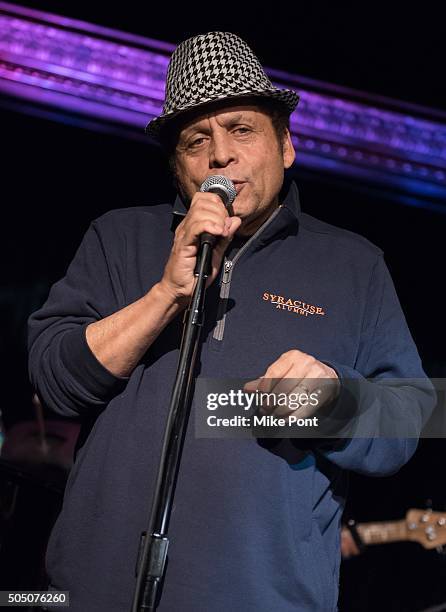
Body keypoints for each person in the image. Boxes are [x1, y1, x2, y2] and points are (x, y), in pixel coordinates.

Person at [28, 31, 435, 612]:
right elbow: (54, 377)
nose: (221, 154)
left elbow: (415, 413)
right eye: (197, 140)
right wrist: (168, 290)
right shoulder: (119, 237)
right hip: (94, 592)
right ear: (179, 168)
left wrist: (333, 401)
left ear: (286, 145)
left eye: (242, 129)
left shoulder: (353, 264)